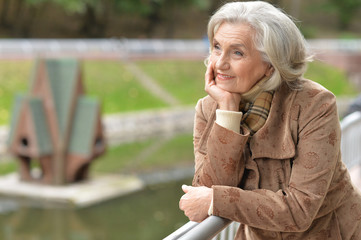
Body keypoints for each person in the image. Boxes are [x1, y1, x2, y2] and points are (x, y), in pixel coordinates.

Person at [178, 1, 361, 239]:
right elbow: (205, 190)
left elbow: (300, 209)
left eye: (237, 52)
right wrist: (228, 115)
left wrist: (216, 200)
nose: (220, 63)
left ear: (270, 64)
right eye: (216, 47)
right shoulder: (209, 108)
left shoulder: (315, 104)